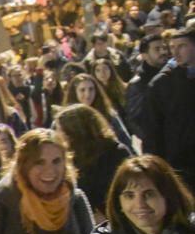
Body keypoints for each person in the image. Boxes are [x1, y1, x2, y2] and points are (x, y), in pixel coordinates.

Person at [54, 105, 131, 223]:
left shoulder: (115, 152)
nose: (58, 135)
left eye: (61, 130)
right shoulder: (70, 157)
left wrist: (108, 217)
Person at [144, 24, 195, 191]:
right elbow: (152, 130)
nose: (176, 52)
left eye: (182, 46)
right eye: (172, 47)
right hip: (180, 167)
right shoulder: (163, 84)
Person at [65, 73, 132, 149]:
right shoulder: (66, 118)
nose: (88, 94)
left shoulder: (108, 114)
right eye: (82, 90)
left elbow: (124, 140)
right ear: (74, 93)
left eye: (91, 89)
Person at [124, 33, 170, 141]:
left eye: (164, 48)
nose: (163, 52)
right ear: (144, 55)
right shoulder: (138, 84)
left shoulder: (172, 74)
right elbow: (135, 120)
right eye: (157, 49)